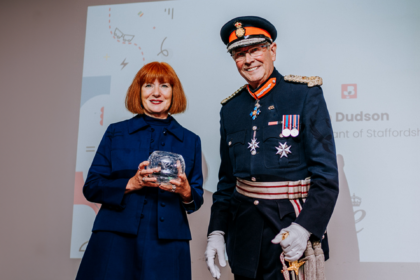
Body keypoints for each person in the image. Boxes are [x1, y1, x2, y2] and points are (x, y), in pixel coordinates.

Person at [205, 16, 339, 280]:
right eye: (239, 54)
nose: (248, 59)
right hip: (243, 236)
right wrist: (217, 231)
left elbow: (326, 177)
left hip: (290, 230)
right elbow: (227, 181)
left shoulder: (303, 94)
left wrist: (305, 228)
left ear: (272, 51)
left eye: (255, 49)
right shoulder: (230, 109)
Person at [76, 62, 204, 280]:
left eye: (164, 86)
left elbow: (196, 199)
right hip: (115, 237)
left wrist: (185, 191)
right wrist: (131, 183)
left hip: (168, 242)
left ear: (174, 93)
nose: (156, 93)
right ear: (138, 91)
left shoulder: (191, 140)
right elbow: (91, 188)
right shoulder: (116, 132)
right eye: (147, 86)